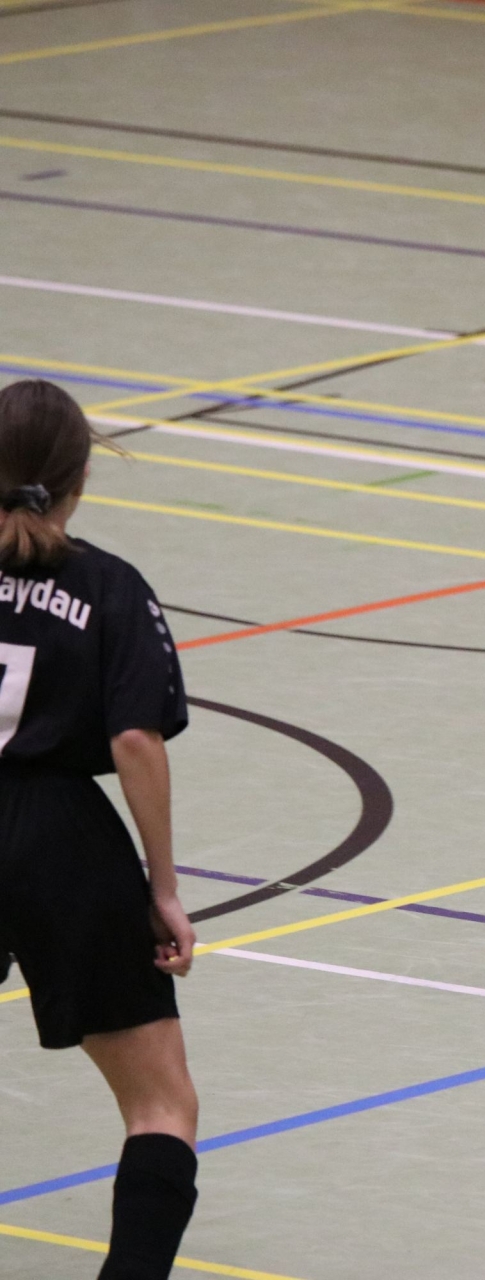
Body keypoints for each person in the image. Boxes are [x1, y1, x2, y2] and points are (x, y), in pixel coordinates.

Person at [0, 379, 200, 1278]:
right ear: (80, 478)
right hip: (59, 838)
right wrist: (162, 887)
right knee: (160, 1106)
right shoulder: (109, 587)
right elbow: (133, 739)